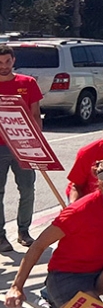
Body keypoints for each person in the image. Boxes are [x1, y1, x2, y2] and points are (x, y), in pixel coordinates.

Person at [4, 159, 103, 308]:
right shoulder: (78, 212)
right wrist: (17, 286)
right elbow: (39, 245)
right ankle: (51, 298)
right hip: (68, 276)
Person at [0, 44, 44, 250]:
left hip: (24, 146)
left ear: (14, 61)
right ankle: (0, 236)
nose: (4, 66)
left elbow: (35, 114)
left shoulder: (28, 83)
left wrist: (38, 143)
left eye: (7, 61)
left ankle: (23, 230)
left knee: (27, 190)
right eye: (0, 63)